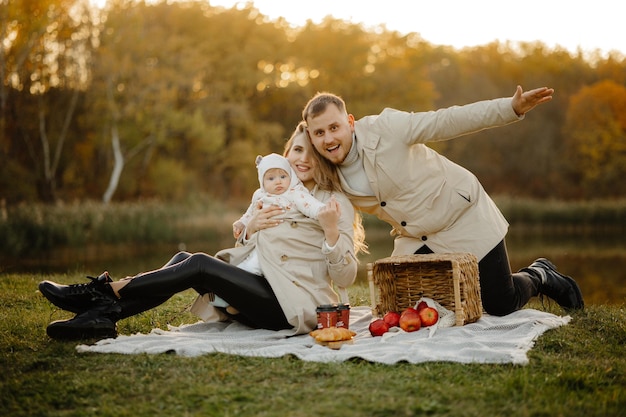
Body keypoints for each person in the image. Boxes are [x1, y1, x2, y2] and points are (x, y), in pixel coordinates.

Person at [38, 122, 366, 340]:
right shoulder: (274, 190)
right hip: (260, 291)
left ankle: (104, 293)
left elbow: (347, 276)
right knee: (184, 258)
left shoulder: (331, 201)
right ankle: (103, 316)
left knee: (198, 264)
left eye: (309, 151)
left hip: (292, 306)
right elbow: (258, 251)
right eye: (296, 150)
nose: (301, 159)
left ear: (322, 156)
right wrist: (249, 229)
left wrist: (331, 231)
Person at [301, 86, 584, 316]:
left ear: (350, 123)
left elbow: (447, 120)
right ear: (311, 137)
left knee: (500, 304)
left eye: (334, 127)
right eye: (319, 132)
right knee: (399, 309)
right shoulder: (324, 172)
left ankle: (540, 275)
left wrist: (509, 108)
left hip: (461, 214)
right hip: (416, 236)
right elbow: (288, 184)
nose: (329, 138)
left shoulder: (387, 127)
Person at [232, 152, 326, 240]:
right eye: (271, 178)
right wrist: (242, 223)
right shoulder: (259, 195)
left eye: (283, 177)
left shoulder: (294, 193)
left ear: (290, 176)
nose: (278, 182)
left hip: (284, 240)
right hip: (262, 242)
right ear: (262, 181)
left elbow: (309, 204)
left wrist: (322, 211)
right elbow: (250, 213)